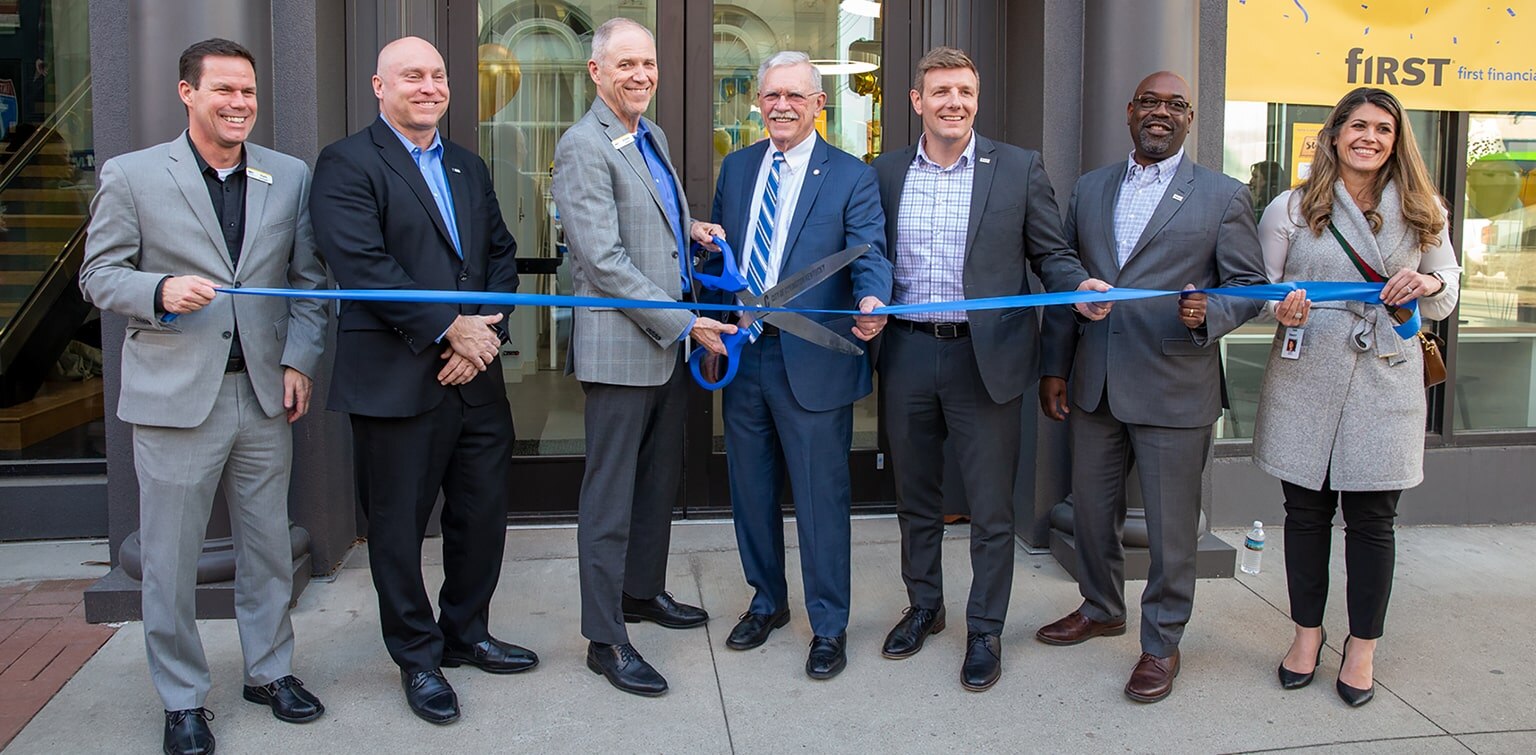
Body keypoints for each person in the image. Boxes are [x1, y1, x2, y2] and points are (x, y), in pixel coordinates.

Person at [79, 38, 328, 755]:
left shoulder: (288, 174)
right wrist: (156, 291)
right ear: (186, 93)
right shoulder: (131, 176)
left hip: (262, 394)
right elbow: (99, 275)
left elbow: (308, 283)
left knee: (267, 547)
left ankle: (270, 670)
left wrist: (300, 360)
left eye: (248, 92)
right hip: (174, 399)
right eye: (224, 90)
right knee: (169, 556)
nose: (239, 104)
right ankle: (183, 697)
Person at [310, 36, 535, 726]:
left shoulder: (466, 165)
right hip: (395, 381)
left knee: (480, 515)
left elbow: (499, 253)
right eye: (413, 75)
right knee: (399, 530)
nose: (429, 86)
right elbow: (363, 264)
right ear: (380, 86)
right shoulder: (347, 163)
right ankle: (417, 654)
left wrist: (484, 335)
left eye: (437, 75)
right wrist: (451, 327)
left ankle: (466, 632)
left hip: (475, 379)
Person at [869, 46, 1109, 692]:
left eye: (966, 93)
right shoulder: (887, 173)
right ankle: (924, 606)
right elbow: (866, 257)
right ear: (916, 101)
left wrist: (1078, 284)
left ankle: (984, 628)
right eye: (941, 91)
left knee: (990, 509)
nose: (955, 103)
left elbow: (1049, 255)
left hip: (989, 360)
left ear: (977, 100)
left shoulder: (1017, 169)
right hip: (909, 351)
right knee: (915, 499)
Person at [1035, 71, 1268, 703]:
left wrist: (1210, 314)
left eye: (1174, 105)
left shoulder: (1222, 195)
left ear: (1190, 119)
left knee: (1170, 531)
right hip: (1095, 382)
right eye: (1148, 103)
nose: (1160, 113)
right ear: (1129, 111)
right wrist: (1056, 366)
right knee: (1090, 513)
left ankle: (1161, 643)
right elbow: (1067, 281)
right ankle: (1102, 606)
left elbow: (1248, 286)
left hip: (1174, 381)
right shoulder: (1090, 189)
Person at [1252, 87, 1461, 707]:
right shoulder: (1292, 207)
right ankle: (1307, 636)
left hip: (1385, 375)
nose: (1370, 137)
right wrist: (1282, 310)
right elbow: (1261, 292)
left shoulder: (1426, 210)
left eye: (1385, 130)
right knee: (1306, 515)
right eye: (1359, 126)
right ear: (1336, 133)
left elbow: (1446, 296)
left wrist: (1425, 280)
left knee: (1373, 521)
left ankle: (1362, 647)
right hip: (1307, 370)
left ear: (1397, 143)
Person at [550, 17, 736, 698]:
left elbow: (644, 214)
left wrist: (691, 230)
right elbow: (601, 258)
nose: (640, 75)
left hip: (662, 349)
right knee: (608, 500)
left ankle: (641, 591)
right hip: (622, 351)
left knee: (657, 485)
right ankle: (605, 637)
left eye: (648, 63)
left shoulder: (648, 134)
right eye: (625, 63)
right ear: (595, 72)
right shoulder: (581, 144)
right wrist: (688, 321)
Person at [706, 51, 892, 681]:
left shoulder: (849, 175)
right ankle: (766, 602)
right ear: (759, 103)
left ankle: (829, 625)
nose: (781, 106)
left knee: (820, 499)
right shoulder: (735, 169)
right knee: (750, 492)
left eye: (794, 96)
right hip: (746, 358)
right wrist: (708, 327)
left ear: (819, 104)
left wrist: (872, 297)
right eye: (771, 96)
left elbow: (868, 251)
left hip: (813, 360)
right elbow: (718, 264)